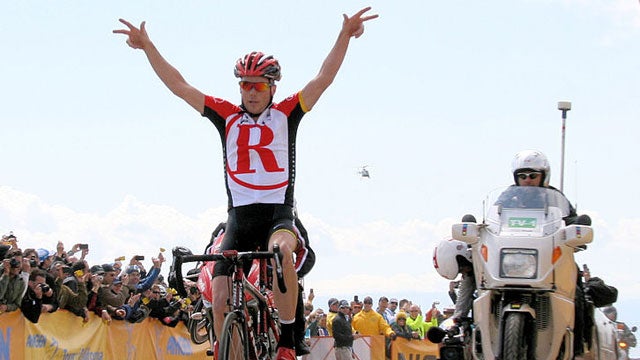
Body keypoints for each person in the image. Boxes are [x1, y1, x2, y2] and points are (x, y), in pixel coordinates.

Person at [113, 7, 377, 358]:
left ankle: (285, 341)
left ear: (271, 87)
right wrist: (148, 47)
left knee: (283, 250)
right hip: (238, 217)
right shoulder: (226, 115)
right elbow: (180, 86)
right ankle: (228, 350)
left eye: (257, 86)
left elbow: (322, 79)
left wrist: (344, 35)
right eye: (244, 85)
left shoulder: (286, 113)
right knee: (219, 298)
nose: (250, 92)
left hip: (277, 215)